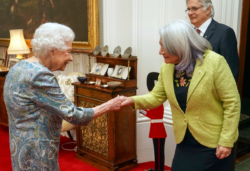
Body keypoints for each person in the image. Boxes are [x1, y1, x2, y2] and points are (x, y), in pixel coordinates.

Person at [121, 20, 240, 171]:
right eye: (160, 45)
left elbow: (232, 103)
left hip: (213, 143)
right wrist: (130, 100)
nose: (160, 51)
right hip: (185, 141)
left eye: (165, 46)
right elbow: (156, 97)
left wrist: (226, 141)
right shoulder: (168, 67)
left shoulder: (215, 62)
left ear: (180, 45)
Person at [3, 22, 123, 171]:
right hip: (38, 157)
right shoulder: (40, 75)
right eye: (68, 52)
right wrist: (109, 105)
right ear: (52, 51)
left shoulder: (18, 67)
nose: (71, 58)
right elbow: (74, 115)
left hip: (20, 151)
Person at [185, 0, 239, 82]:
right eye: (188, 9)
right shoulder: (190, 33)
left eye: (194, 8)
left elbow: (231, 70)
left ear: (208, 9)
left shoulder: (224, 32)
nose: (190, 13)